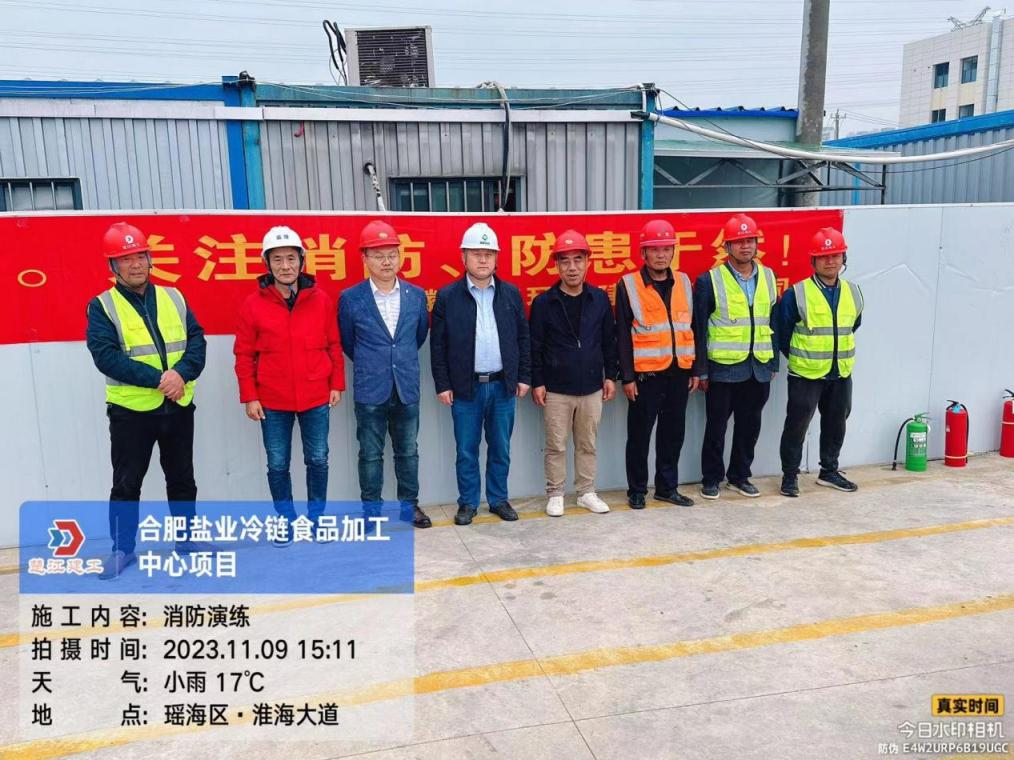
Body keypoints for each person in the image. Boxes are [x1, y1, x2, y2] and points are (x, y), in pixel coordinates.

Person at [86, 221, 208, 579]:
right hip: (131, 412)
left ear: (150, 259)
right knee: (127, 484)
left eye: (140, 256)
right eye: (126, 259)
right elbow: (106, 357)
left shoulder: (174, 297)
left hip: (178, 406)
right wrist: (160, 380)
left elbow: (197, 341)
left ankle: (186, 541)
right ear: (113, 266)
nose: (136, 264)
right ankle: (122, 550)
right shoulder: (102, 306)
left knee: (182, 479)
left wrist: (180, 374)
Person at [234, 225, 344, 546]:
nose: (286, 266)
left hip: (316, 395)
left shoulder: (320, 300)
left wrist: (336, 384)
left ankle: (317, 519)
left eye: (291, 258)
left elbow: (334, 345)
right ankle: (285, 520)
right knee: (278, 464)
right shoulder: (253, 304)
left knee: (318, 459)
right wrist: (250, 396)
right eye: (278, 259)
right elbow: (243, 355)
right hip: (272, 399)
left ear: (302, 261)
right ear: (267, 264)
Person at [430, 222, 531, 526]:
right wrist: (443, 384)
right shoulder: (448, 296)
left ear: (497, 258)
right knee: (466, 450)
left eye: (488, 253)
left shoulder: (511, 294)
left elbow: (523, 338)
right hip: (466, 388)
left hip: (502, 386)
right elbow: (438, 345)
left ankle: (498, 499)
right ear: (463, 257)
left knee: (501, 448)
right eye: (476, 253)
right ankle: (468, 503)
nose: (483, 259)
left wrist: (523, 376)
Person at [338, 220, 432, 529]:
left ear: (400, 256)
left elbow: (418, 336)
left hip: (406, 386)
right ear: (364, 258)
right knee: (370, 454)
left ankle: (409, 506)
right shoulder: (350, 298)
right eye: (378, 256)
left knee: (408, 451)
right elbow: (349, 342)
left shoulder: (416, 295)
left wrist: (396, 360)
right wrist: (375, 363)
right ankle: (371, 511)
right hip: (370, 388)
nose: (386, 262)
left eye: (392, 254)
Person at [530, 229, 618, 517]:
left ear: (587, 262)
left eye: (578, 260)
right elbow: (535, 347)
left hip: (592, 387)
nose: (572, 267)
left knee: (587, 443)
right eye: (565, 261)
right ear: (556, 265)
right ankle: (555, 493)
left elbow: (608, 341)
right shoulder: (544, 303)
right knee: (556, 445)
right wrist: (538, 382)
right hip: (556, 389)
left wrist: (610, 376)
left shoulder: (599, 299)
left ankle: (586, 492)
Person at [693, 213, 779, 500]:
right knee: (716, 426)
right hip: (723, 368)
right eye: (739, 241)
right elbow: (699, 328)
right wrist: (701, 370)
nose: (745, 246)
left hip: (759, 367)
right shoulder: (710, 280)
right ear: (727, 246)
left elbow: (773, 322)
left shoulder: (769, 276)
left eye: (750, 240)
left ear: (757, 244)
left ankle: (740, 476)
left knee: (750, 425)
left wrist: (773, 362)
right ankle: (711, 478)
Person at [615, 218, 700, 510]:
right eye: (654, 249)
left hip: (679, 373)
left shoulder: (684, 282)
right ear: (643, 253)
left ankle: (667, 488)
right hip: (645, 376)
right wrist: (627, 377)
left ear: (673, 251)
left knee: (672, 434)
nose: (661, 255)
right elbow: (622, 335)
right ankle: (637, 490)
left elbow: (693, 327)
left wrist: (694, 369)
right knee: (639, 436)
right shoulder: (628, 285)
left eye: (666, 249)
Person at [776, 227, 864, 498]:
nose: (830, 261)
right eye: (824, 256)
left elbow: (853, 325)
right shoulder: (797, 293)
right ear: (813, 260)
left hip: (840, 373)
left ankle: (829, 471)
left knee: (837, 422)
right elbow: (782, 333)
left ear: (843, 258)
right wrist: (804, 357)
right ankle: (790, 476)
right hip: (806, 374)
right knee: (797, 425)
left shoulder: (854, 292)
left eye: (835, 255)